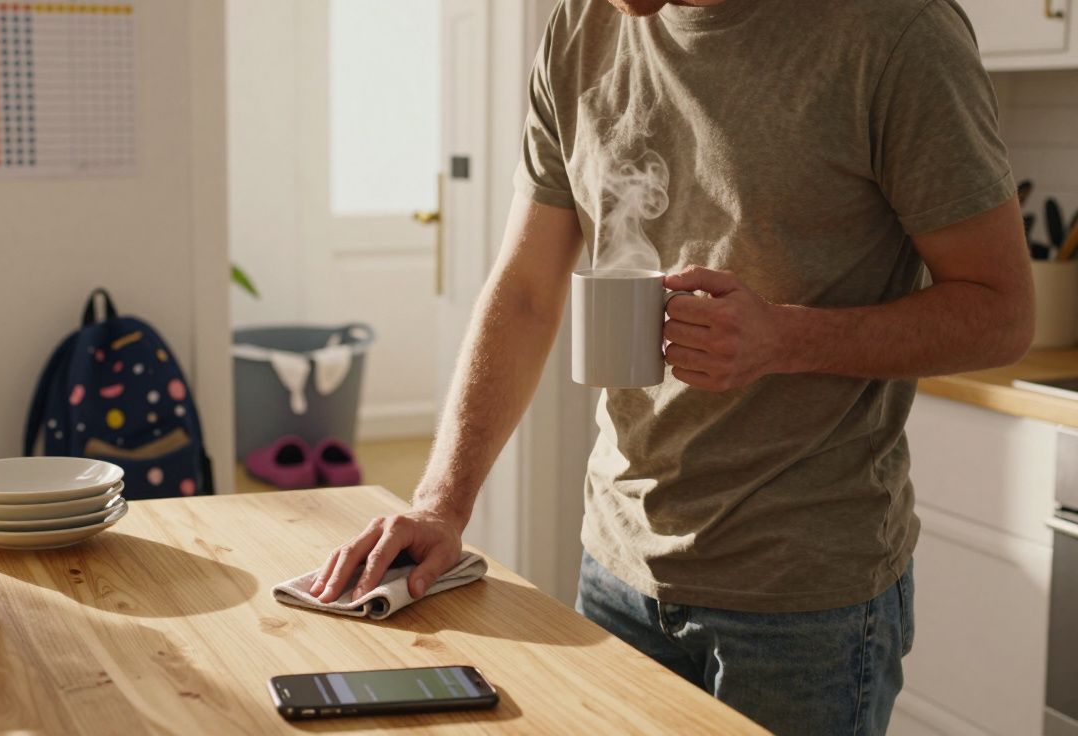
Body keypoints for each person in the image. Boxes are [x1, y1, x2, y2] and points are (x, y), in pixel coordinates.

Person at [310, 0, 1034, 732]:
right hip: (616, 567)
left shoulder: (894, 30)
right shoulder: (581, 27)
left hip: (803, 606)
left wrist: (782, 338)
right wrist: (443, 502)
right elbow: (527, 292)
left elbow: (1002, 313)